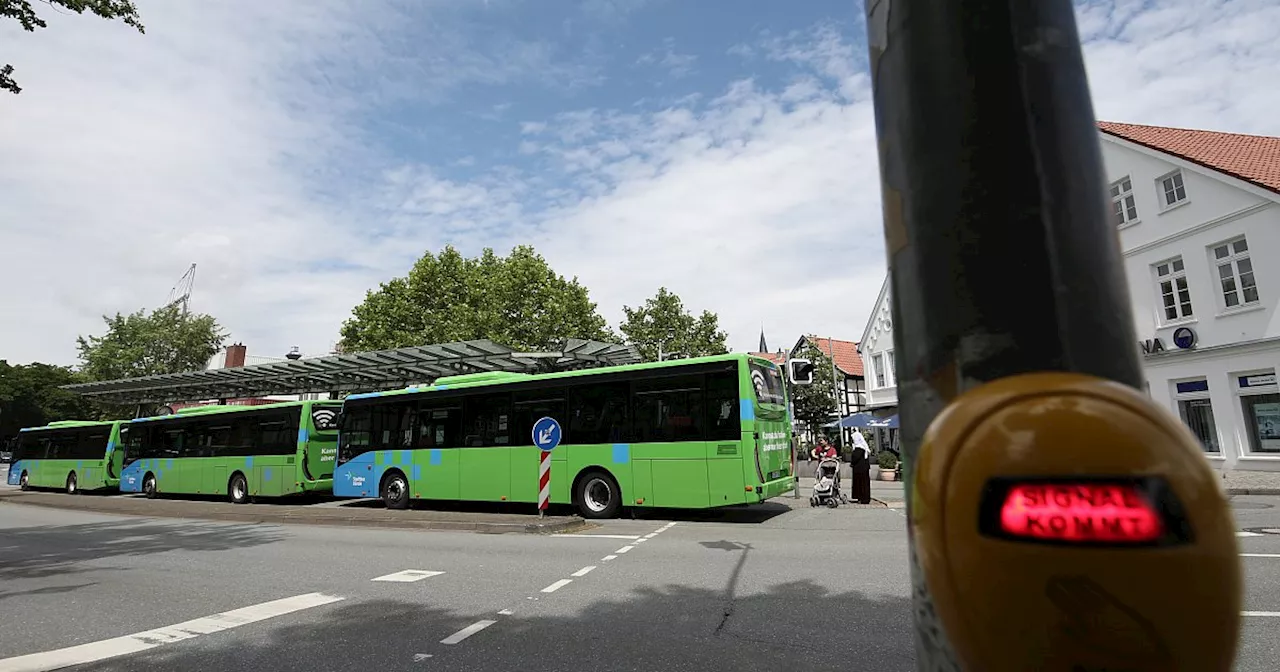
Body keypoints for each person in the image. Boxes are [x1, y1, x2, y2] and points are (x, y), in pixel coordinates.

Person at [849, 429, 872, 504]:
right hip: (862, 469)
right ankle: (863, 498)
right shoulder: (863, 448)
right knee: (864, 484)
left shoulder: (859, 448)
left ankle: (863, 498)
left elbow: (855, 457)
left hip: (860, 470)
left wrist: (852, 462)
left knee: (861, 484)